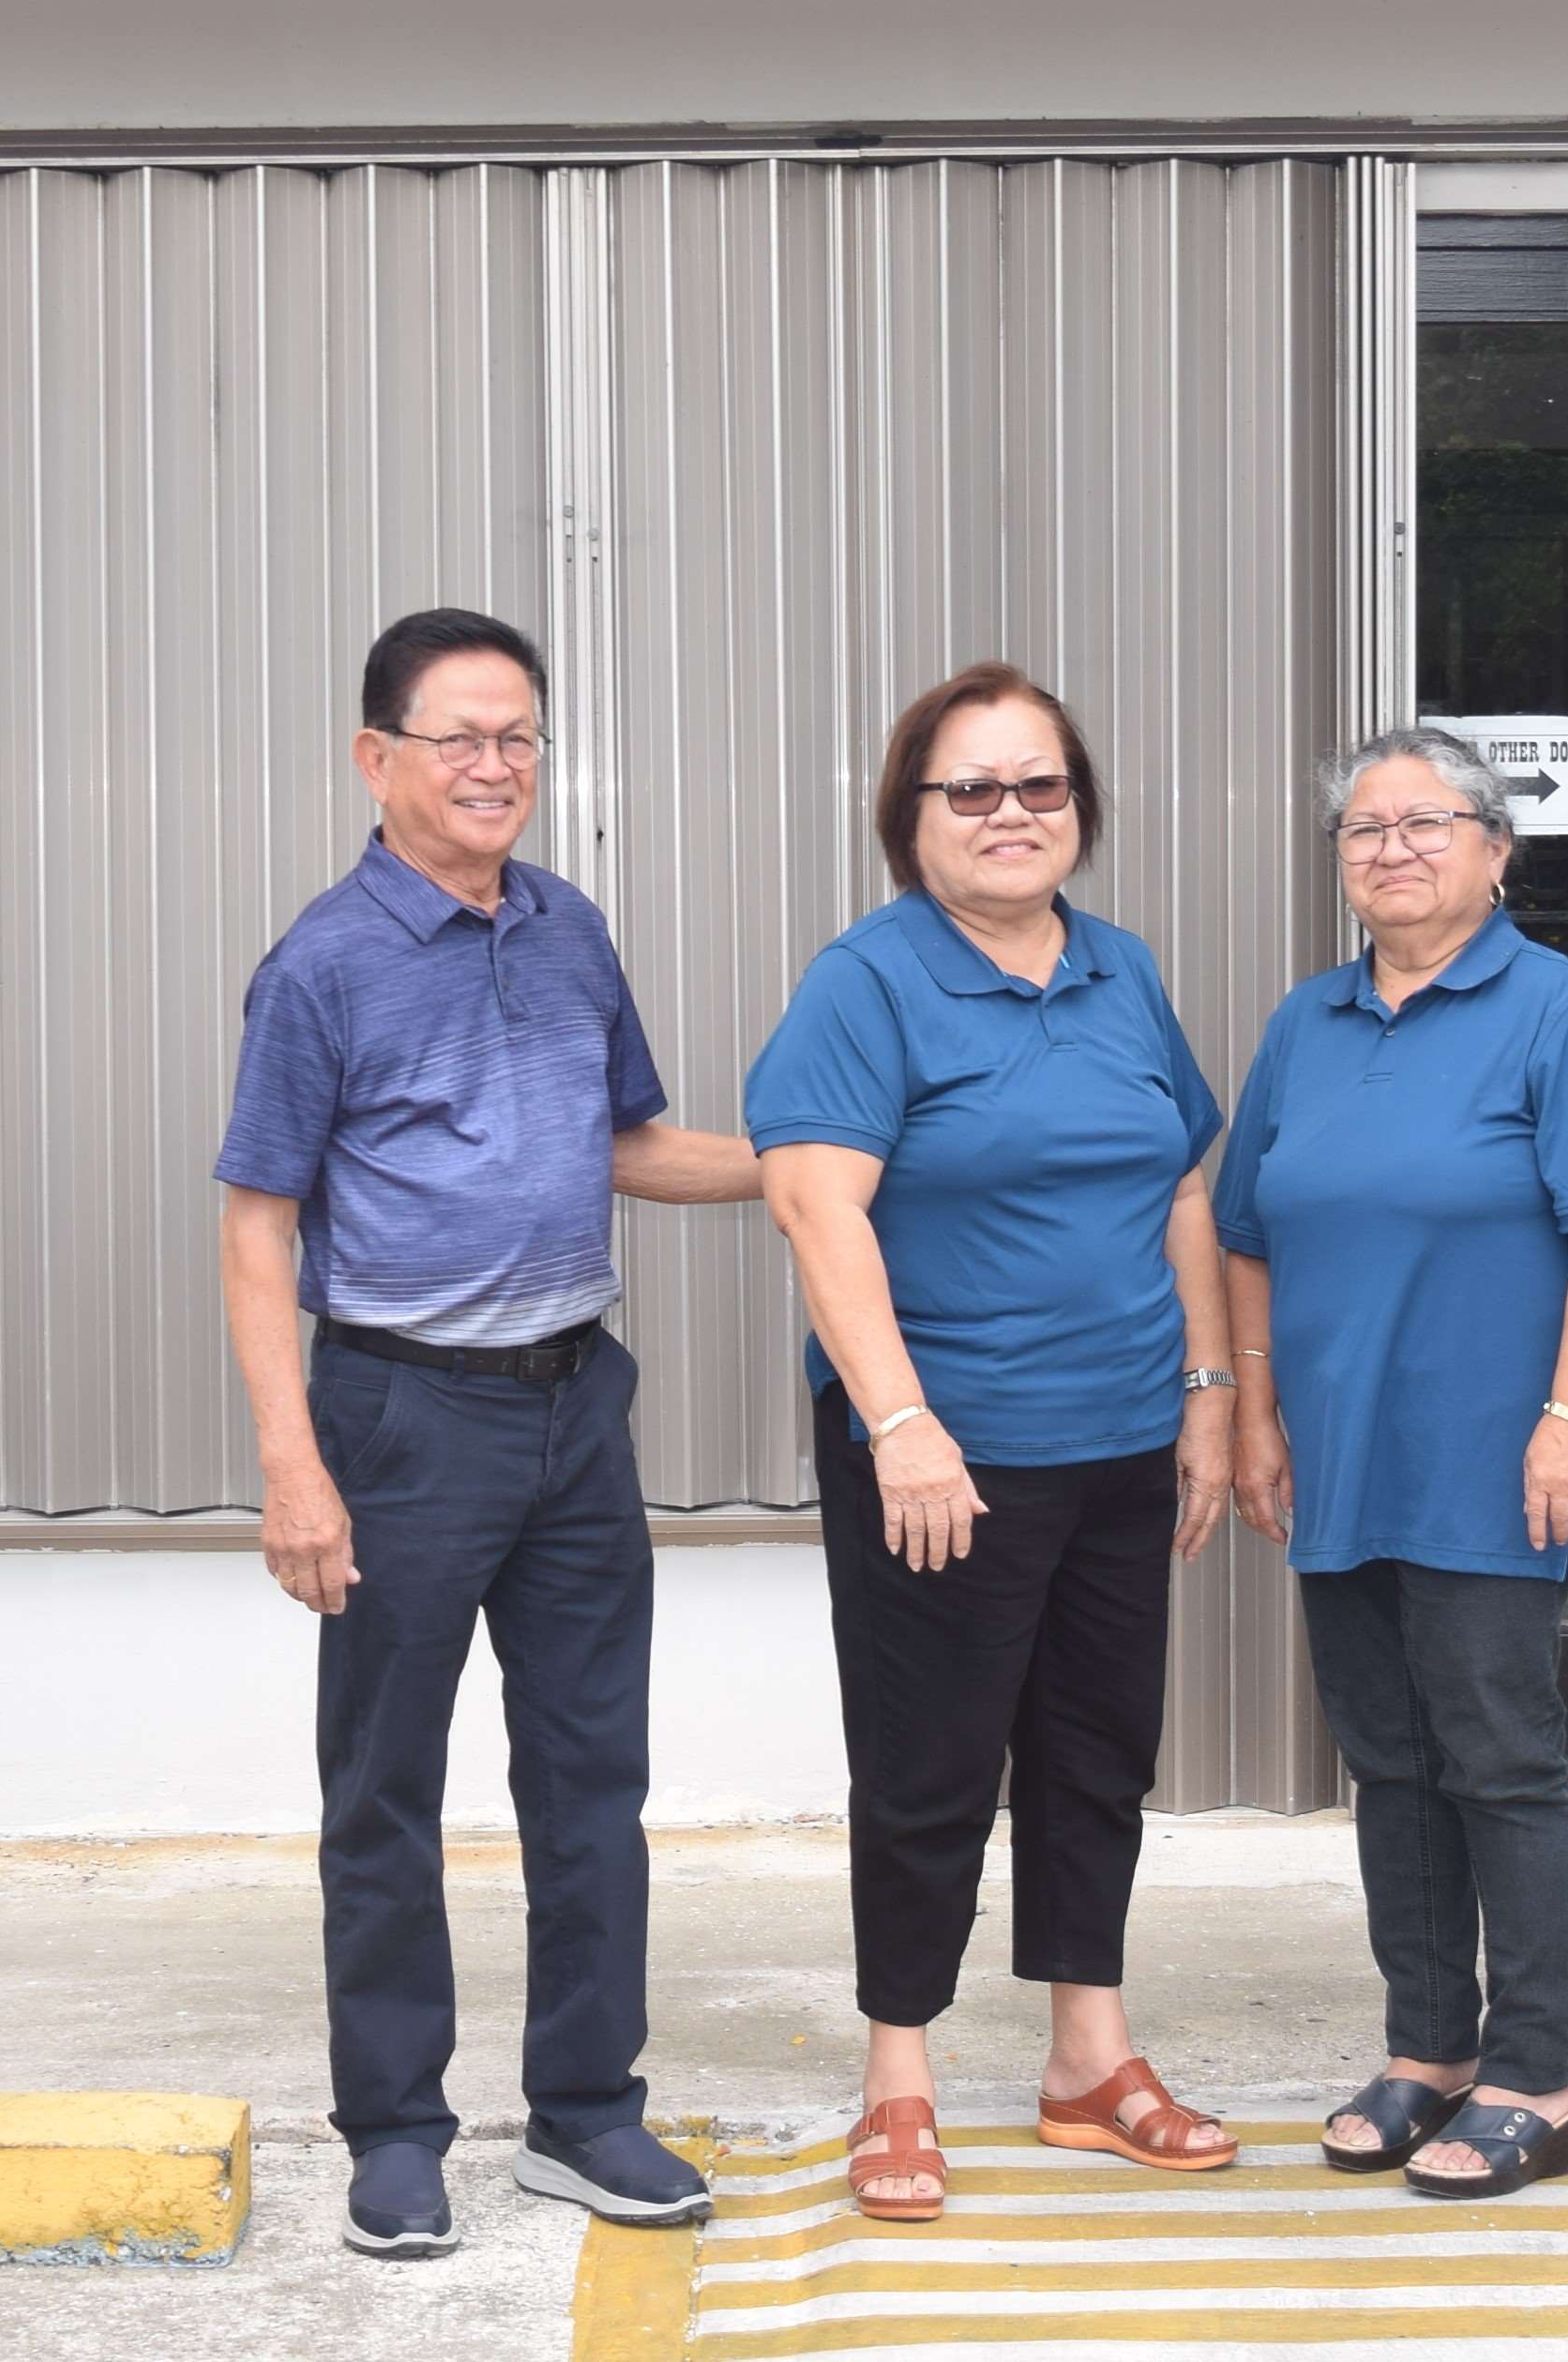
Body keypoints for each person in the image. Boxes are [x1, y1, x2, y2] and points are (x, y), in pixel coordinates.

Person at [213, 605, 766, 2261]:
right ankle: (394, 2132)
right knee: (385, 1786)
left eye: (517, 735)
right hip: (396, 1417)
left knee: (592, 1776)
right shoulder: (322, 964)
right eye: (456, 737)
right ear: (375, 758)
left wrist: (803, 1166)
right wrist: (292, 1467)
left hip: (572, 1406)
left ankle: (587, 2112)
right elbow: (256, 1228)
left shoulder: (568, 928)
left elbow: (630, 1143)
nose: (493, 766)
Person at [747, 662, 1241, 2228]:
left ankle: (1088, 2060)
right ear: (911, 819)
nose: (1010, 814)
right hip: (942, 1458)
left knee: (1095, 1762)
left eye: (1039, 784)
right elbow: (817, 1208)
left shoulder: (1121, 971)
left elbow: (1179, 1190)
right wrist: (897, 1424)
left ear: (1078, 808)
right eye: (971, 789)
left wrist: (1210, 1399)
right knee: (930, 1772)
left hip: (1116, 1446)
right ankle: (900, 2077)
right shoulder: (868, 982)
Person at [1217, 725, 1568, 2203]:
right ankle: (1430, 2052)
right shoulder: (1308, 1025)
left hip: (1492, 1462)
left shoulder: (1561, 1015)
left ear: (1494, 849)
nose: (1393, 848)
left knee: (1499, 1765)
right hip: (1340, 1463)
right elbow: (1247, 1235)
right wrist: (1259, 1411)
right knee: (1391, 1766)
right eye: (1363, 829)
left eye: (1427, 823)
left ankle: (1539, 2074)